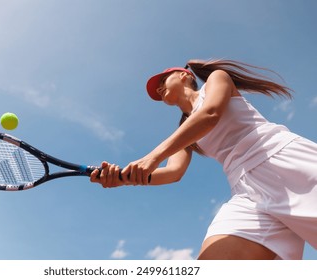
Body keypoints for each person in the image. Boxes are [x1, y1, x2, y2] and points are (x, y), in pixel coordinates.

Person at [90, 59, 317, 260]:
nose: (159, 88)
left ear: (185, 75)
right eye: (156, 88)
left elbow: (210, 114)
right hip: (246, 192)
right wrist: (124, 178)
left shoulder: (216, 80)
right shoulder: (184, 131)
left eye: (163, 80)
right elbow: (173, 172)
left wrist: (152, 157)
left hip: (282, 158)